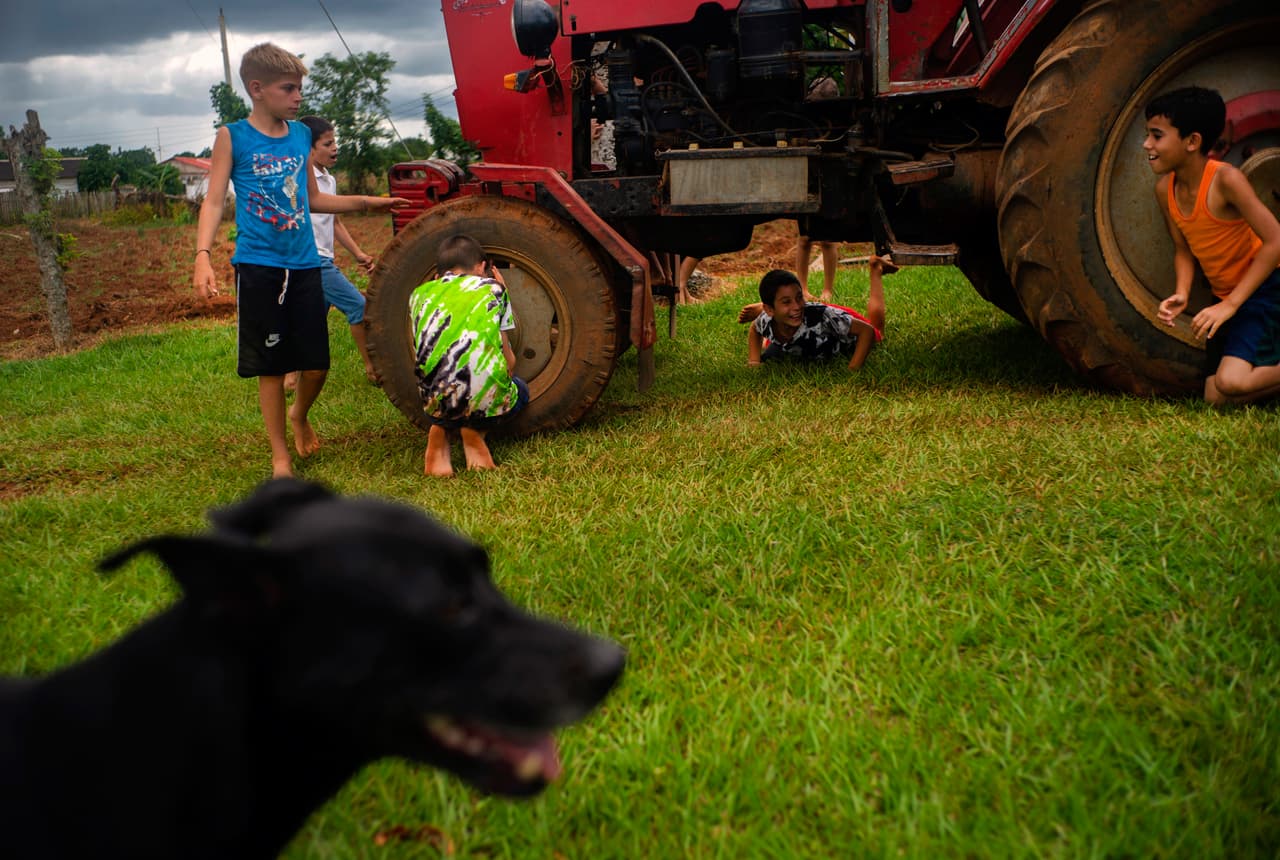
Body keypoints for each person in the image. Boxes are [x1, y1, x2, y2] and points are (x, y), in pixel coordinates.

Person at [193, 42, 406, 478]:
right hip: (259, 266)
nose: (298, 97)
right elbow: (214, 201)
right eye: (288, 89)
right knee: (270, 369)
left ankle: (300, 414)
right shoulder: (232, 136)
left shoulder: (300, 136)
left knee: (316, 364)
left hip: (306, 264)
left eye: (299, 89)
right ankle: (280, 457)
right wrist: (203, 256)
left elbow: (312, 199)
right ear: (257, 88)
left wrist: (369, 202)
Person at [1147, 86, 1280, 405]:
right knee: (1215, 397)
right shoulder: (1164, 189)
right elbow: (1183, 250)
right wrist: (1181, 292)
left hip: (1264, 291)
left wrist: (1231, 304)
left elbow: (1276, 241)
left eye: (1156, 135)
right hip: (1226, 298)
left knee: (1230, 382)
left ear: (1192, 141)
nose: (1147, 145)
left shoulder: (1226, 180)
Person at [410, 234, 530, 477]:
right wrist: (502, 290)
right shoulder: (494, 289)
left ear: (438, 275)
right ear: (482, 267)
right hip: (481, 396)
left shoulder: (418, 295)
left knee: (446, 384)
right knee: (521, 390)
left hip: (434, 399)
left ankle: (440, 432)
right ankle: (475, 432)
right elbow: (509, 362)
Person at [286, 115, 379, 389]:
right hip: (311, 259)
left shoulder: (329, 181)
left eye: (335, 141)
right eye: (327, 143)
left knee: (310, 321)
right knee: (359, 307)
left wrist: (358, 254)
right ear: (309, 149)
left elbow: (335, 222)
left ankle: (291, 376)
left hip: (325, 257)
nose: (335, 148)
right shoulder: (299, 181)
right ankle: (373, 369)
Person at [746, 254, 894, 371]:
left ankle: (876, 269)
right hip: (801, 325)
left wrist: (853, 369)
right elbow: (754, 328)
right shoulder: (765, 321)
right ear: (769, 310)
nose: (797, 305)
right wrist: (754, 361)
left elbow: (866, 331)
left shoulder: (824, 317)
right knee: (771, 349)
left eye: (799, 297)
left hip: (835, 323)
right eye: (786, 301)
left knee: (877, 331)